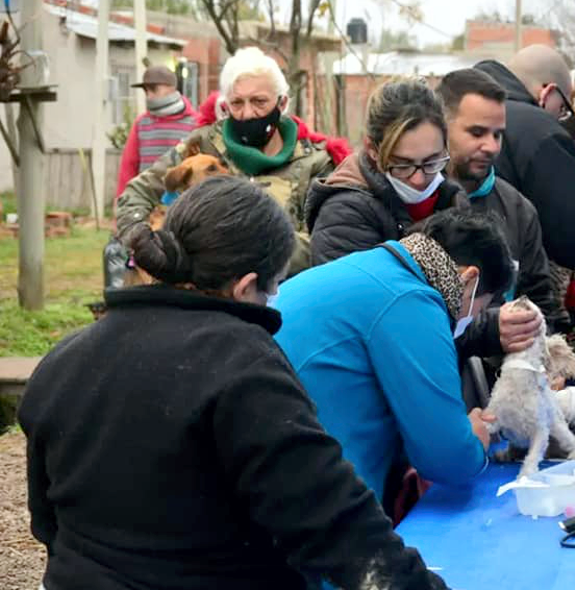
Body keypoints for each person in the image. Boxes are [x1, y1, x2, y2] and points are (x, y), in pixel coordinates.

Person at [18, 176, 445, 590]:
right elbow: (335, 524)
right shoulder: (241, 361)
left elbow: (47, 521)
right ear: (245, 287)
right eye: (274, 286)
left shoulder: (63, 359)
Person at [273, 209, 514, 516]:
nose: (475, 317)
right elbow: (447, 457)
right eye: (482, 306)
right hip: (312, 496)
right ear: (470, 280)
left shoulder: (372, 267)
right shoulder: (413, 300)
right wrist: (475, 438)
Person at [116, 47, 345, 276]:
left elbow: (327, 242)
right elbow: (138, 191)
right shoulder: (202, 145)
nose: (247, 114)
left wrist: (249, 247)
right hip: (202, 293)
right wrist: (142, 241)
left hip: (282, 294)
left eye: (259, 101)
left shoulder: (315, 162)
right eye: (237, 103)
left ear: (282, 103)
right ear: (225, 107)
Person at [437, 68, 564, 331]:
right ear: (441, 127)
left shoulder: (519, 211)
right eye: (477, 132)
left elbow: (541, 303)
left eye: (497, 134)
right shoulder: (417, 200)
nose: (492, 146)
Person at [475, 45, 575, 271]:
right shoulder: (538, 129)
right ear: (548, 92)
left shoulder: (455, 108)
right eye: (562, 108)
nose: (559, 118)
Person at [307, 77, 466, 266]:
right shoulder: (343, 212)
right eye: (402, 165)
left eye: (431, 162)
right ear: (373, 149)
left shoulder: (452, 197)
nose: (419, 179)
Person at [115, 66, 197, 198]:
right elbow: (129, 166)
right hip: (146, 201)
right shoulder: (141, 123)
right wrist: (122, 201)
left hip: (184, 203)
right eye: (146, 91)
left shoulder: (195, 123)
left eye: (153, 89)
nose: (149, 95)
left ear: (171, 88)